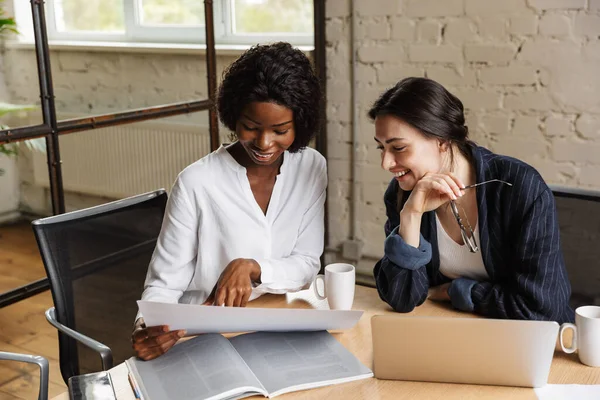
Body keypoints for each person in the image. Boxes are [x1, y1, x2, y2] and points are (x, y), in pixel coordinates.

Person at [132, 42, 326, 360]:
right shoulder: (197, 183)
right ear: (234, 116)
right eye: (251, 127)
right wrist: (148, 326)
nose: (264, 143)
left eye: (280, 130)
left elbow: (306, 263)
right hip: (201, 334)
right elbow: (164, 283)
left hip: (274, 322)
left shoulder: (311, 167)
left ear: (299, 124)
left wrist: (250, 267)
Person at [370, 77, 574, 324]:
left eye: (398, 148)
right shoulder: (403, 195)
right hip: (449, 331)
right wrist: (410, 217)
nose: (385, 163)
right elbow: (402, 298)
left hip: (534, 345)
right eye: (381, 148)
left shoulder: (518, 187)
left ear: (442, 141)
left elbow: (541, 309)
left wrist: (456, 291)